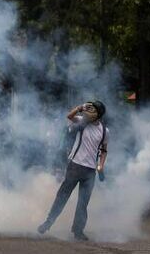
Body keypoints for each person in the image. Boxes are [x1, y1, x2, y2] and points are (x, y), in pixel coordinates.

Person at [38, 101, 108, 241]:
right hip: (75, 166)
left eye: (93, 110)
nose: (89, 112)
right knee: (62, 196)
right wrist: (80, 108)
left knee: (83, 203)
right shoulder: (83, 121)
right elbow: (69, 116)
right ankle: (48, 223)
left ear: (99, 115)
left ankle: (78, 231)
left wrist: (101, 165)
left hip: (90, 171)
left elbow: (104, 150)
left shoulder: (105, 131)